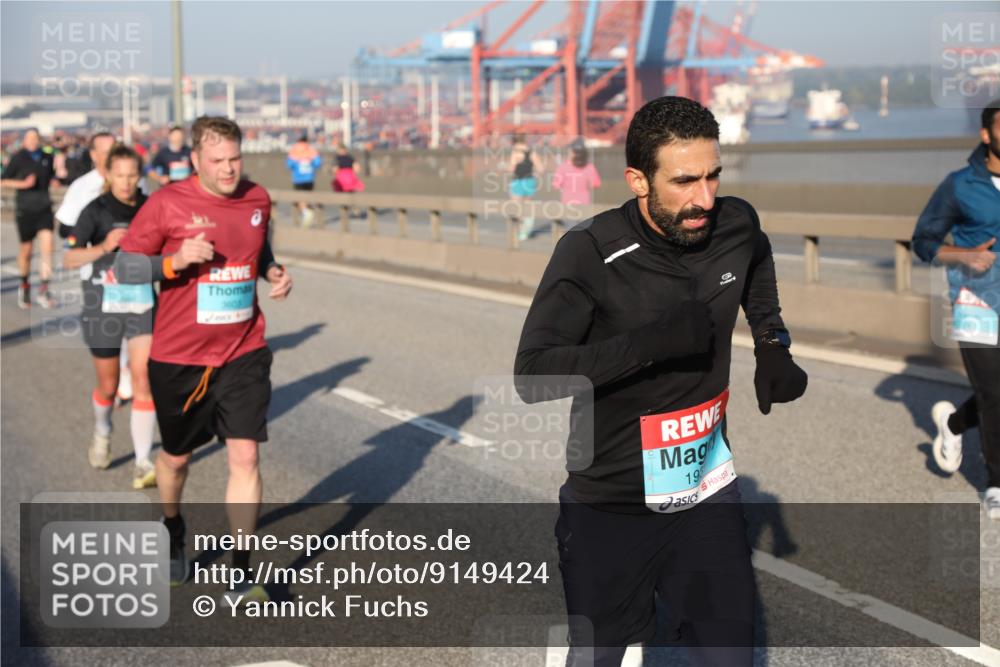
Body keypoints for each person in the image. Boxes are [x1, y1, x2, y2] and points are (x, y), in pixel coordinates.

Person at [514, 96, 808, 666]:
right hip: (611, 506)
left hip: (706, 493)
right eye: (684, 182)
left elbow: (757, 257)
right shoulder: (590, 250)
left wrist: (772, 342)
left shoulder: (734, 222)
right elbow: (534, 375)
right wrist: (649, 345)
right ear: (638, 181)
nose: (705, 198)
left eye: (713, 176)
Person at [115, 116, 293, 599]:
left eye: (235, 159)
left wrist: (272, 271)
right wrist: (173, 262)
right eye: (218, 161)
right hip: (180, 357)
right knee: (176, 461)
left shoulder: (257, 199)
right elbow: (125, 266)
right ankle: (173, 526)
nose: (229, 169)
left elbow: (257, 248)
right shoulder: (167, 203)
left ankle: (240, 572)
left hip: (243, 349)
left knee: (246, 454)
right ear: (195, 160)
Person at [913, 98, 1000, 521]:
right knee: (994, 393)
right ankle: (996, 483)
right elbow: (923, 241)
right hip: (975, 301)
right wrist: (965, 256)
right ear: (986, 134)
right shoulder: (959, 185)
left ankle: (952, 425)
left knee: (994, 393)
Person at [62, 144, 157, 489]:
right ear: (109, 175)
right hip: (102, 307)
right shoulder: (95, 210)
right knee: (109, 385)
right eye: (120, 175)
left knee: (144, 381)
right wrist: (104, 247)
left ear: (140, 175)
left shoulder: (151, 207)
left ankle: (143, 461)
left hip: (141, 304)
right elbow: (68, 259)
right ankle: (103, 431)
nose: (127, 182)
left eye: (132, 175)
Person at [57, 133, 136, 404]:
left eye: (115, 148)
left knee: (133, 330)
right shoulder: (82, 187)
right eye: (105, 150)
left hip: (132, 278)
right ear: (93, 155)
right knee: (110, 337)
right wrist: (92, 228)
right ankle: (114, 380)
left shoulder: (135, 184)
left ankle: (127, 372)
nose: (110, 154)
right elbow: (65, 229)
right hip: (95, 274)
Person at [1, 128, 58, 309]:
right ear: (24, 140)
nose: (32, 141)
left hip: (44, 208)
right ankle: (24, 285)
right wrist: (23, 184)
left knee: (47, 247)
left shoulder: (47, 157)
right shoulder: (18, 158)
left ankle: (44, 289)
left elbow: (51, 176)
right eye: (29, 138)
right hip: (25, 209)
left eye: (35, 138)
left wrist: (56, 180)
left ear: (39, 140)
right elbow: (3, 180)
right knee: (26, 251)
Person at [508, 133, 543, 242]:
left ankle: (521, 230)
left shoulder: (515, 152)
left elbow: (511, 169)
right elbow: (541, 168)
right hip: (530, 181)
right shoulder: (531, 152)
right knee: (527, 206)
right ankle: (526, 230)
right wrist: (534, 174)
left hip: (518, 181)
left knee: (516, 207)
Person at [552, 140, 602, 209]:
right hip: (584, 202)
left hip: (567, 201)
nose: (568, 153)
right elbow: (596, 184)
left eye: (570, 151)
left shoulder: (563, 166)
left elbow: (556, 185)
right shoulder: (589, 167)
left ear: (574, 153)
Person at [285, 134, 322, 227]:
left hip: (298, 179)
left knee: (300, 198)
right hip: (310, 178)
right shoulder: (311, 150)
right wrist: (309, 163)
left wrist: (298, 162)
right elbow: (318, 163)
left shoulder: (294, 150)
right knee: (307, 198)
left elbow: (289, 164)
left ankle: (306, 213)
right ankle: (308, 215)